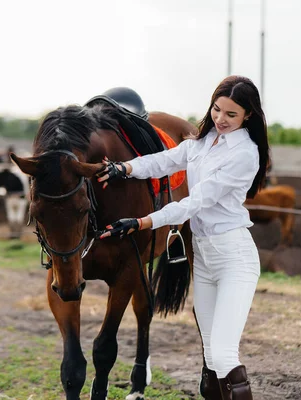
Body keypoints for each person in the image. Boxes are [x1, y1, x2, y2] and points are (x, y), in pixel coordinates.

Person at [97, 75, 270, 400]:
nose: (221, 119)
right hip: (204, 259)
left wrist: (141, 222)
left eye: (231, 114)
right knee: (210, 351)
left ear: (248, 115)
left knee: (222, 355)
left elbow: (194, 202)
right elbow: (161, 161)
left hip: (234, 257)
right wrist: (124, 169)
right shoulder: (201, 143)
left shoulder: (245, 154)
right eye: (217, 110)